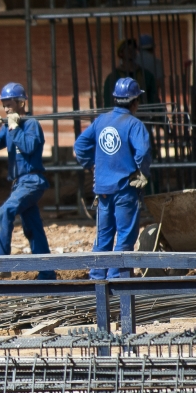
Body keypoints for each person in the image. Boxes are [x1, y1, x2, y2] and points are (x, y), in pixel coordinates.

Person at [74, 78, 151, 280]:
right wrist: (141, 171)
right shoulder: (134, 124)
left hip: (103, 190)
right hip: (125, 189)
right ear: (135, 102)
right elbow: (142, 152)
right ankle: (119, 282)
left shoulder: (101, 120)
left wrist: (91, 166)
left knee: (103, 237)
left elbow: (80, 145)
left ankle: (97, 280)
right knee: (125, 237)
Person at [0, 83, 56, 281]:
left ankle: (1, 264)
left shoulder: (31, 124)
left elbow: (29, 147)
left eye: (9, 105)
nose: (6, 109)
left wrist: (14, 127)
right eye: (4, 105)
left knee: (4, 212)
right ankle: (47, 272)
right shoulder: (8, 126)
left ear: (21, 102)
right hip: (19, 183)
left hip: (32, 181)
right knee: (33, 227)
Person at [103, 39, 158, 108]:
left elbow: (154, 98)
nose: (131, 51)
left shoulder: (146, 75)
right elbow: (109, 102)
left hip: (143, 115)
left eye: (133, 49)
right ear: (121, 53)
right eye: (127, 49)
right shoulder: (112, 78)